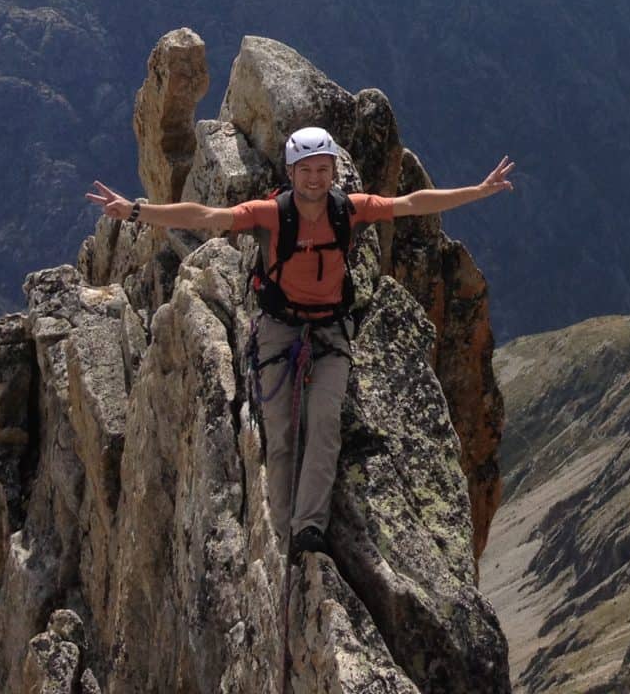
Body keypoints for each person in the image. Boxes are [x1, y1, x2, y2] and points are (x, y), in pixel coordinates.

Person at [87, 127, 514, 557]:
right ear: (292, 172)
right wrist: (137, 211)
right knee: (282, 431)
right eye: (306, 170)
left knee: (324, 423)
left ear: (333, 172)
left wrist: (477, 192)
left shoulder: (349, 209)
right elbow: (205, 216)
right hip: (279, 329)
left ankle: (308, 528)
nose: (315, 178)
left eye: (323, 169)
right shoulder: (272, 213)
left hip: (329, 330)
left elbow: (411, 204)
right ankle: (281, 527)